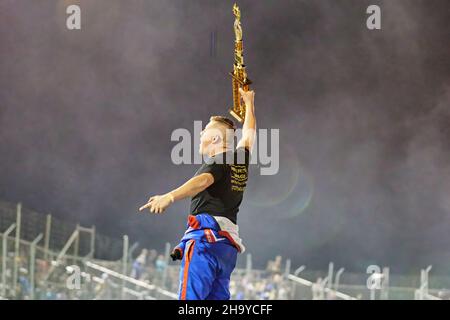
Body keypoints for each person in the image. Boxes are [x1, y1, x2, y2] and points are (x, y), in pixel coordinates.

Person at [139, 88, 256, 300]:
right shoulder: (240, 159)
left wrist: (169, 196)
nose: (200, 134)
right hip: (227, 247)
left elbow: (203, 181)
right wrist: (249, 104)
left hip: (205, 240)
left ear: (214, 139)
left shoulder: (217, 160)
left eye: (204, 131)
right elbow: (248, 136)